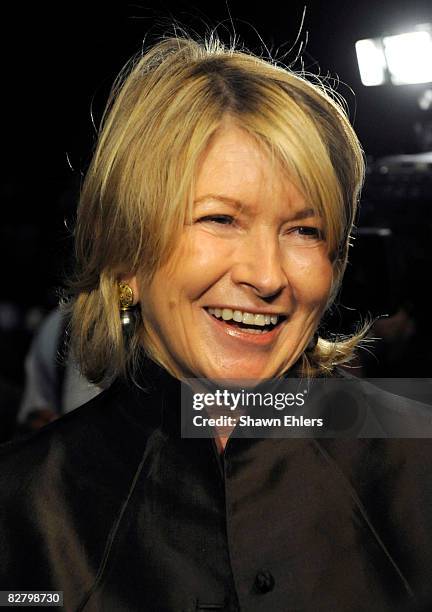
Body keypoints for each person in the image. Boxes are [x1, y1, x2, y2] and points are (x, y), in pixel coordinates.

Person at [1, 34, 432, 612]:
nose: (267, 275)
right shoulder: (22, 511)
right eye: (221, 218)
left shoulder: (418, 464)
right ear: (127, 253)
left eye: (304, 230)